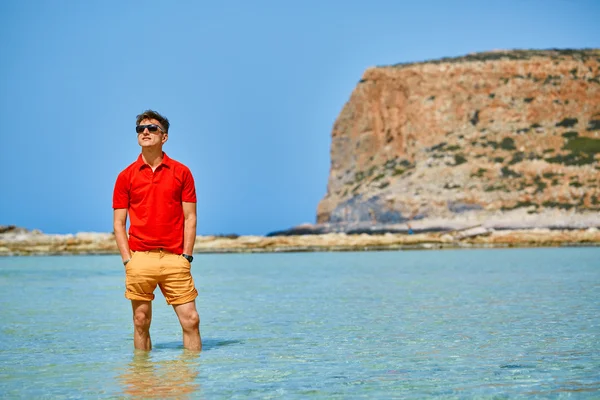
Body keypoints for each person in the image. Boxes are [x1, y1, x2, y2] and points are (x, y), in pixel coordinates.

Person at [113, 110, 201, 351]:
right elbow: (119, 223)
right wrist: (127, 260)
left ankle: (191, 381)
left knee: (191, 320)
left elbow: (190, 217)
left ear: (164, 137)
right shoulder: (125, 176)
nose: (145, 132)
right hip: (139, 258)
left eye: (152, 128)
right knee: (141, 321)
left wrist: (187, 255)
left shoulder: (182, 172)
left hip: (175, 259)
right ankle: (142, 380)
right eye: (141, 129)